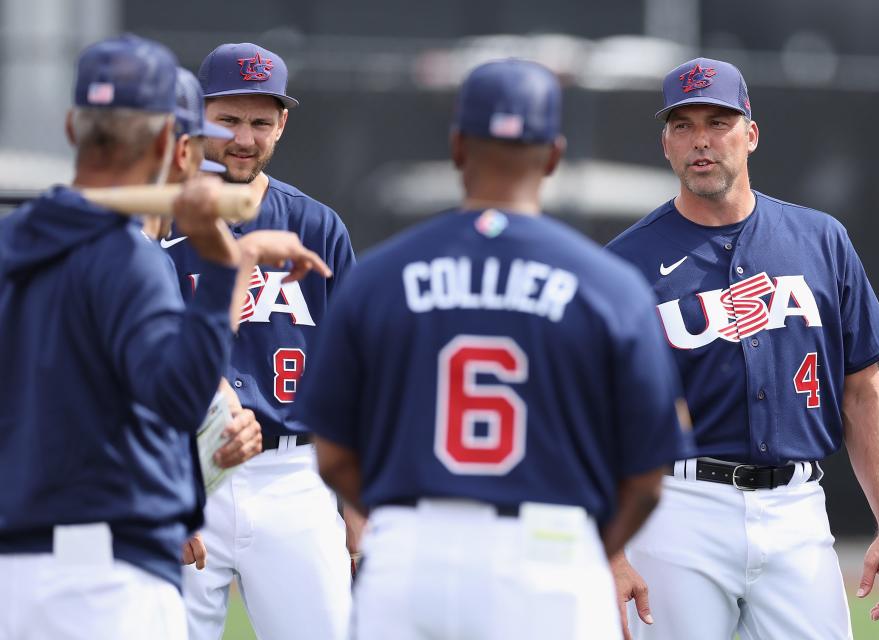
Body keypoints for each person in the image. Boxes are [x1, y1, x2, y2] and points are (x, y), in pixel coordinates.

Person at [292, 58, 694, 640]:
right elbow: (651, 466)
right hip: (549, 549)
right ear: (554, 155)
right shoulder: (606, 285)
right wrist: (590, 544)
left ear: (457, 146)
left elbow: (330, 452)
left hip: (411, 551)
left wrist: (399, 525)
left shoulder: (380, 276)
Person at [606, 57, 879, 639]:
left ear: (751, 133)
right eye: (683, 125)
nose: (701, 141)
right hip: (678, 507)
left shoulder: (821, 240)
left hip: (797, 509)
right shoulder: (626, 263)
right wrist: (612, 550)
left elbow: (863, 391)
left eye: (718, 122)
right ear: (665, 145)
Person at [0, 34, 242, 640]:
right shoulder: (128, 257)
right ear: (169, 142)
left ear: (70, 127)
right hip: (105, 579)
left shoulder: (13, 244)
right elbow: (181, 400)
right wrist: (219, 275)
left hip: (13, 573)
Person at [165, 43, 357, 640]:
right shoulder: (160, 222)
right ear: (197, 118)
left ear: (282, 124)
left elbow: (354, 372)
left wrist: (355, 506)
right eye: (228, 120)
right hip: (186, 465)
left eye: (260, 122)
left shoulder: (315, 225)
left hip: (293, 473)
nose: (244, 138)